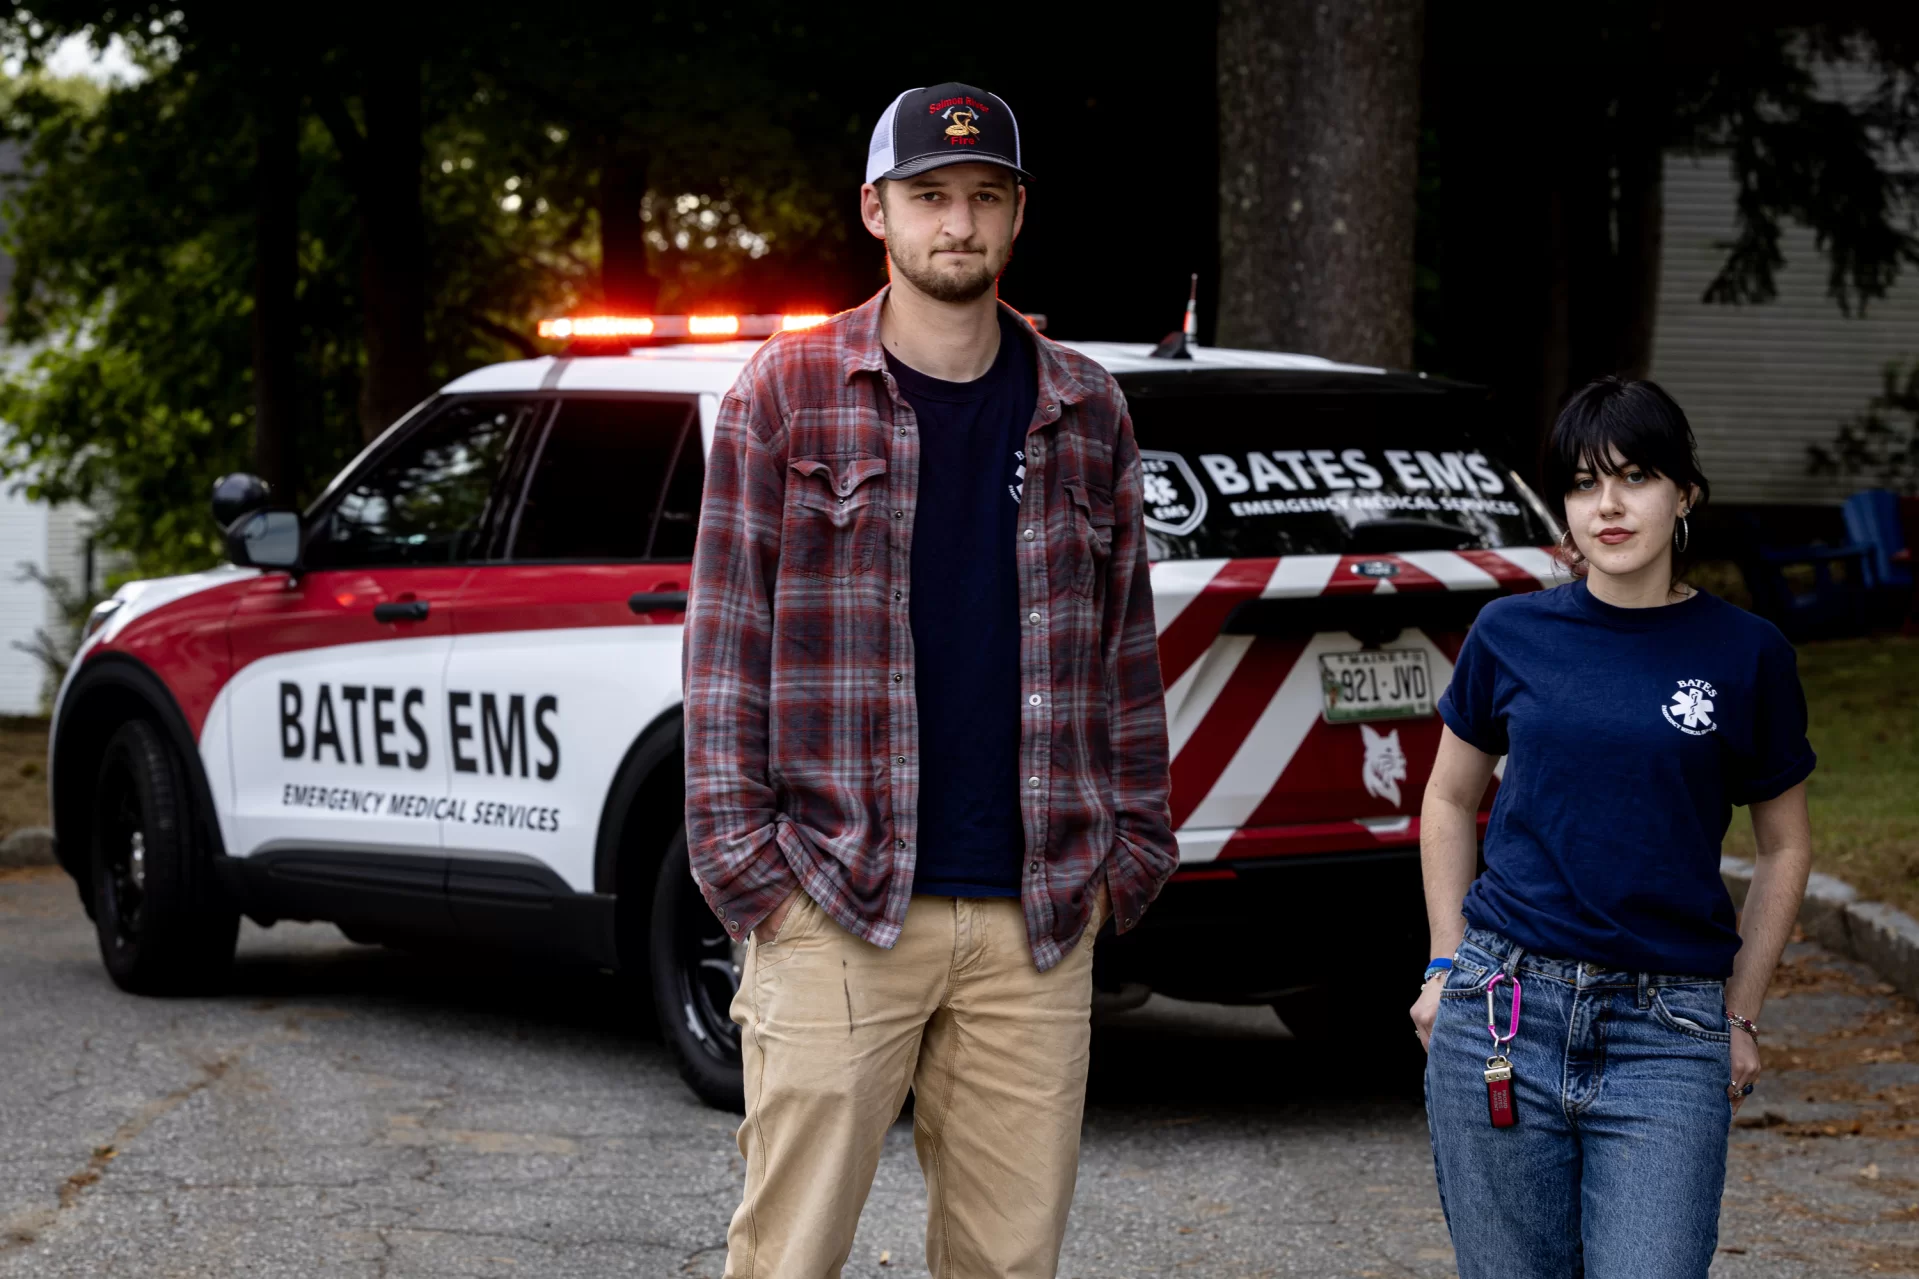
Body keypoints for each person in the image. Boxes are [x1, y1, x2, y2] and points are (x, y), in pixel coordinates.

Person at [682, 81, 1177, 1279]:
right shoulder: (784, 395)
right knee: (787, 1259)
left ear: (1016, 217)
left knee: (1008, 1265)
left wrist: (1128, 859)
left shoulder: (1086, 406)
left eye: (983, 197)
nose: (956, 223)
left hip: (1037, 922)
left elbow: (1124, 655)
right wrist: (757, 882)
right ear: (875, 210)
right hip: (838, 906)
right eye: (929, 196)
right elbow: (721, 656)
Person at [1409, 376, 1816, 1278]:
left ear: (1683, 494)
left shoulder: (1746, 653)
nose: (1608, 505)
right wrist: (1443, 964)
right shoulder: (1508, 632)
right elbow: (1445, 800)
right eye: (1583, 483)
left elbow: (1785, 844)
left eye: (1633, 477)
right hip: (1504, 1013)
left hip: (1666, 1030)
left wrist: (1740, 1011)